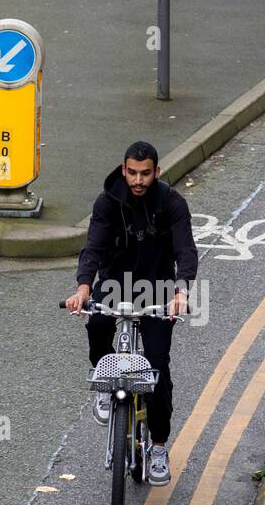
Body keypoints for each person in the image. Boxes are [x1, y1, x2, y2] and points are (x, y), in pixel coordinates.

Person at [64, 141, 197, 486]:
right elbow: (92, 247)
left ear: (157, 172)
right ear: (123, 170)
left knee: (157, 367)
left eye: (146, 173)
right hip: (114, 284)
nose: (138, 180)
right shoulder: (107, 202)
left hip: (158, 290)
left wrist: (181, 291)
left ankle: (157, 447)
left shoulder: (172, 203)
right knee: (97, 325)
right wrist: (83, 288)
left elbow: (185, 251)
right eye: (133, 173)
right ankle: (106, 383)